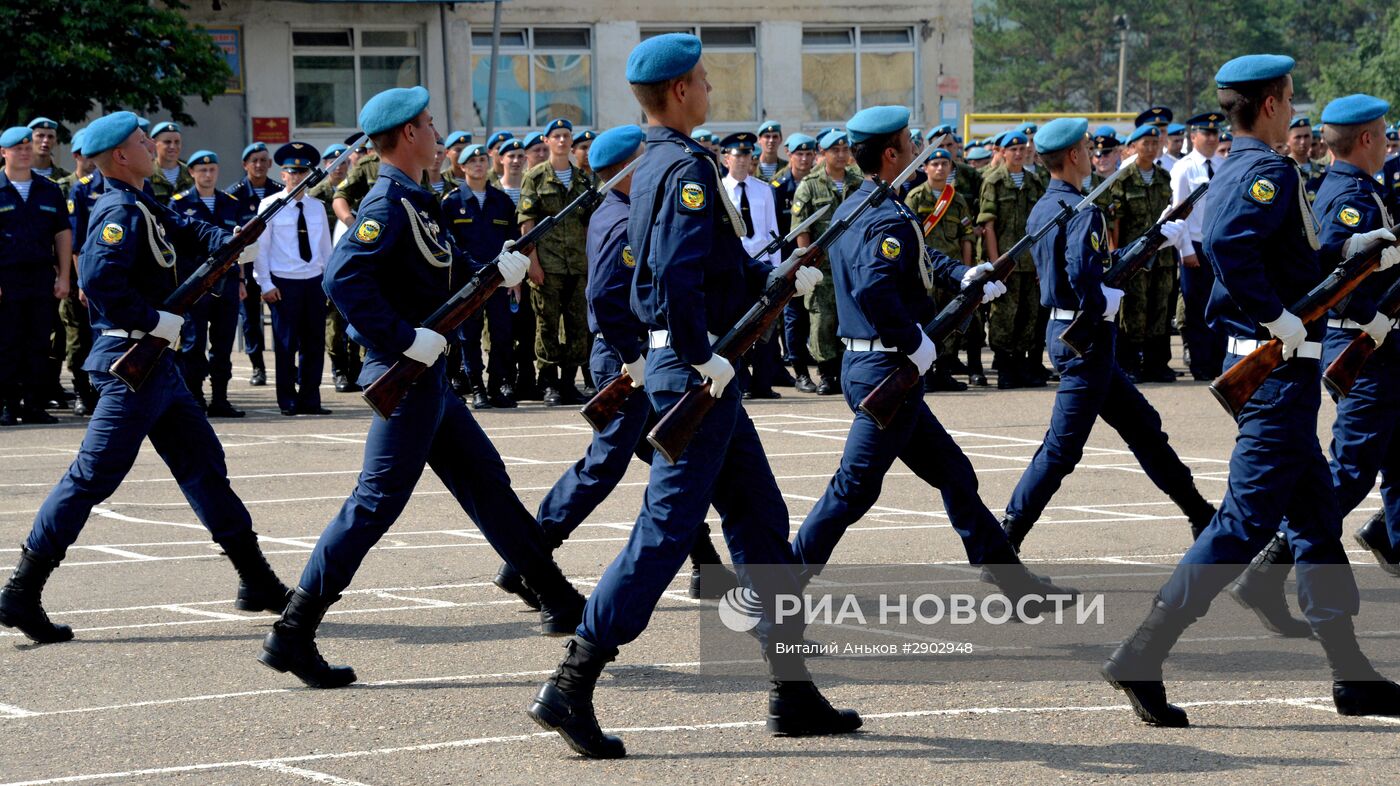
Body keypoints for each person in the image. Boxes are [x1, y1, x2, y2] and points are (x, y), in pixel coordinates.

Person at [527, 34, 857, 760]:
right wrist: (704, 353)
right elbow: (676, 275)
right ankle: (572, 681)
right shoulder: (682, 167)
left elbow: (706, 266)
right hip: (698, 369)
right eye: (703, 80)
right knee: (666, 529)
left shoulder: (654, 164)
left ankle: (792, 687)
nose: (710, 89)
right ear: (679, 91)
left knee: (761, 522)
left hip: (704, 370)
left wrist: (771, 283)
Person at [1102, 54, 1400, 728]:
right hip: (1273, 374)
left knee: (1320, 527)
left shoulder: (1246, 165)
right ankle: (1141, 652)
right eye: (1291, 97)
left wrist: (1357, 256)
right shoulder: (1264, 170)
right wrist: (1275, 316)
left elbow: (1290, 259)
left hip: (1284, 377)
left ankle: (1351, 677)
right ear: (1269, 104)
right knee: (1240, 526)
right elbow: (1232, 251)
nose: (1297, 110)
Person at [257, 87, 581, 689]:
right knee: (374, 504)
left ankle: (560, 598)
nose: (437, 133)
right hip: (406, 372)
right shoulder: (387, 202)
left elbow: (448, 267)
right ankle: (293, 632)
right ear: (407, 135)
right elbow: (343, 277)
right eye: (430, 125)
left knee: (487, 482)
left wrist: (499, 267)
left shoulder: (418, 200)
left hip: (427, 373)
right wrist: (402, 338)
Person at [0, 112, 287, 644]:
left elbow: (187, 228)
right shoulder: (116, 209)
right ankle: (21, 590)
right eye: (139, 141)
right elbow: (100, 278)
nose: (148, 145)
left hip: (161, 369)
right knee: (91, 479)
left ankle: (257, 579)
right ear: (121, 157)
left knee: (204, 468)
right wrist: (156, 320)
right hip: (132, 364)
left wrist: (233, 239)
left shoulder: (140, 201)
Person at [790, 105, 1075, 617]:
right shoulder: (882, 214)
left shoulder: (863, 204)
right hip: (887, 367)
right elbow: (874, 286)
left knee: (954, 473)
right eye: (908, 140)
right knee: (853, 490)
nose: (918, 147)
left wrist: (963, 276)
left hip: (876, 365)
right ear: (893, 153)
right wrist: (910, 340)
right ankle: (779, 585)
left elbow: (917, 260)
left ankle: (1015, 587)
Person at [496, 125, 735, 608]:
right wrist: (633, 360)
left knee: (674, 455)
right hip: (627, 356)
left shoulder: (626, 210)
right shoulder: (620, 218)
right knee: (605, 465)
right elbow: (603, 297)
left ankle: (706, 565)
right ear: (630, 169)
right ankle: (528, 561)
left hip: (637, 353)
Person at [998, 116, 1216, 557]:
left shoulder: (1046, 205)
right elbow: (1085, 274)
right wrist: (1102, 302)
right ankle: (1005, 537)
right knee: (1062, 451)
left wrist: (1153, 239)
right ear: (1076, 155)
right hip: (1087, 337)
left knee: (1144, 428)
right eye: (1087, 147)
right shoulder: (1084, 210)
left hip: (1068, 333)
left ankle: (1200, 514)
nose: (1098, 154)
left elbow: (1093, 262)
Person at [1311, 95, 1400, 574]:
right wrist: (1371, 318)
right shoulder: (1348, 197)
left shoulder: (1365, 188)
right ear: (1367, 139)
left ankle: (1391, 538)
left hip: (1380, 343)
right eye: (1385, 133)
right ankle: (1278, 556)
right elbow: (1335, 277)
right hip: (1362, 346)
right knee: (1351, 468)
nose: (1389, 142)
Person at [519, 117, 596, 406]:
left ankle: (569, 382)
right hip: (547, 266)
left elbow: (589, 227)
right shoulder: (535, 177)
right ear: (547, 140)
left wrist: (590, 264)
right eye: (557, 136)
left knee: (578, 326)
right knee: (547, 325)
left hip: (577, 265)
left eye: (567, 136)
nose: (563, 141)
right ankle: (549, 383)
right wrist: (533, 264)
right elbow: (527, 225)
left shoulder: (582, 180)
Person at [252, 142, 333, 417]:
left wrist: (328, 282)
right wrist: (265, 283)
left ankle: (311, 398)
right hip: (283, 282)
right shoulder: (269, 205)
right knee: (286, 345)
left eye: (302, 172)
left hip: (313, 281)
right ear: (283, 174)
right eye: (291, 172)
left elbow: (325, 249)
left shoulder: (317, 207)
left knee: (313, 344)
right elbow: (261, 248)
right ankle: (287, 399)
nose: (297, 177)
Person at [0, 126, 71, 426]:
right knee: (6, 343)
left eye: (28, 148)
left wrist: (65, 275)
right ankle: (6, 404)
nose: (26, 152)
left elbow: (62, 234)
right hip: (7, 279)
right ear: (4, 153)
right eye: (18, 148)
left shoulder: (49, 189)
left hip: (41, 276)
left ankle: (33, 403)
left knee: (39, 342)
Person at [170, 150, 245, 418]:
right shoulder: (179, 203)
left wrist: (241, 279)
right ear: (191, 173)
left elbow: (241, 244)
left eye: (212, 169)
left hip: (227, 282)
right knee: (193, 344)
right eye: (201, 170)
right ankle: (194, 398)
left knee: (223, 344)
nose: (207, 174)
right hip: (195, 284)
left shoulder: (230, 202)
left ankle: (220, 399)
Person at [441, 144, 516, 409]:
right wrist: (471, 267)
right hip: (468, 281)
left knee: (501, 334)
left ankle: (496, 386)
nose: (478, 164)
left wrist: (514, 274)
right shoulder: (451, 203)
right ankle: (477, 388)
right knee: (468, 336)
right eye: (471, 160)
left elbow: (515, 241)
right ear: (461, 167)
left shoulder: (502, 201)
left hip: (498, 278)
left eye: (482, 159)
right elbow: (448, 243)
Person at [792, 130, 862, 394]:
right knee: (822, 321)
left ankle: (846, 370)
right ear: (823, 153)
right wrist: (806, 266)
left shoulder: (857, 182)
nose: (842, 155)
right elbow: (802, 230)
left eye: (845, 150)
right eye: (835, 150)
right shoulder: (809, 185)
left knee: (850, 318)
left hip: (852, 266)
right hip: (822, 268)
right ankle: (826, 373)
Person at [1111, 124, 1182, 382]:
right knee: (1133, 310)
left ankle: (1156, 363)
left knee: (1160, 309)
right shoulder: (1122, 179)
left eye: (1155, 143)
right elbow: (1115, 223)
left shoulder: (1164, 177)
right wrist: (1114, 257)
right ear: (1133, 146)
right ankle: (1129, 363)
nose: (1151, 148)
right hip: (1134, 258)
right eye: (1146, 143)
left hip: (1162, 257)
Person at [905, 147, 980, 389]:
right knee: (926, 320)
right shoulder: (915, 197)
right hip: (924, 272)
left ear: (951, 168)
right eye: (934, 164)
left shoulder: (957, 200)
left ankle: (945, 371)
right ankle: (925, 374)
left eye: (944, 164)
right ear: (925, 168)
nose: (939, 168)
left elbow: (966, 236)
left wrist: (965, 270)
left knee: (951, 321)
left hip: (951, 272)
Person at [979, 130, 1047, 388]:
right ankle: (1005, 366)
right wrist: (998, 264)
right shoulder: (994, 181)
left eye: (1022, 148)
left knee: (1028, 314)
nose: (1019, 153)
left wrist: (1041, 262)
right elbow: (989, 225)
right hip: (1007, 261)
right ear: (1003, 152)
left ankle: (1022, 365)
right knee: (1004, 316)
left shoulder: (1034, 182)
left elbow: (1041, 226)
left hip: (1031, 262)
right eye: (1013, 149)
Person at [721, 131, 784, 397]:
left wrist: (779, 272)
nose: (745, 160)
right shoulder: (719, 190)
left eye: (748, 154)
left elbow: (773, 231)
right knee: (737, 326)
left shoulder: (764, 190)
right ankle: (741, 382)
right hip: (734, 267)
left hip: (762, 266)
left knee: (765, 328)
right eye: (739, 155)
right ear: (726, 159)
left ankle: (763, 383)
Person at [1170, 112, 1228, 381]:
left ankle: (1218, 361)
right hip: (1193, 244)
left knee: (1220, 304)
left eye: (1215, 133)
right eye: (1207, 133)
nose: (1212, 138)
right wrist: (1185, 250)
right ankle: (1201, 364)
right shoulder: (1184, 167)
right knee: (1196, 308)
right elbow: (1178, 213)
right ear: (1193, 137)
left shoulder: (1223, 164)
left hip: (1218, 246)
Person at [227, 142, 281, 386]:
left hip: (277, 264)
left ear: (270, 164)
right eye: (254, 161)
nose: (259, 165)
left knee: (282, 317)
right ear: (245, 165)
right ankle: (258, 367)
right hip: (247, 266)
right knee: (250, 319)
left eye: (263, 160)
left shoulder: (280, 192)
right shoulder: (233, 194)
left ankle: (285, 364)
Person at [771, 133, 819, 391]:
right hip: (788, 260)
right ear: (790, 155)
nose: (803, 158)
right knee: (793, 317)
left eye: (808, 154)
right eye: (798, 154)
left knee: (815, 315)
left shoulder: (816, 183)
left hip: (814, 260)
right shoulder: (778, 186)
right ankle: (799, 370)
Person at [147, 122, 193, 204]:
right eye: (167, 142)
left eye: (177, 142)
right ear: (154, 143)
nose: (173, 147)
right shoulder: (147, 173)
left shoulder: (191, 173)